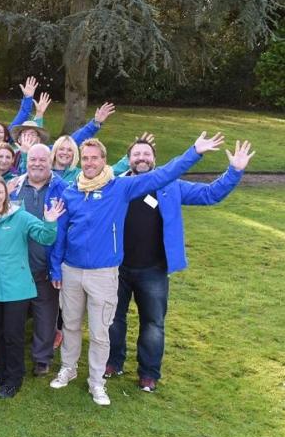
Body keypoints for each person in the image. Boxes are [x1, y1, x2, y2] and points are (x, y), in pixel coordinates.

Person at [48, 132, 226, 406]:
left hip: (104, 272)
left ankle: (97, 382)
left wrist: (195, 151)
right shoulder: (72, 191)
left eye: (95, 158)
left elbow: (164, 174)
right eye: (85, 158)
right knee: (71, 325)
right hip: (71, 271)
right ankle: (68, 369)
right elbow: (60, 233)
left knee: (100, 331)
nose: (90, 163)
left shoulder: (119, 188)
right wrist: (56, 269)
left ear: (104, 160)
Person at [105, 138, 253, 392]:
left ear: (155, 159)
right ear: (128, 159)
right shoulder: (116, 185)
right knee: (113, 319)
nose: (142, 158)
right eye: (137, 154)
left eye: (147, 154)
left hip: (153, 270)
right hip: (116, 268)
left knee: (153, 324)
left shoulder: (170, 186)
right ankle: (112, 362)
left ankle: (148, 373)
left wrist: (234, 171)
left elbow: (209, 194)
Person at [0, 178, 63, 399]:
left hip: (17, 289)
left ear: (6, 195)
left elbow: (45, 237)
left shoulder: (20, 216)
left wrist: (50, 222)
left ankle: (14, 378)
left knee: (13, 335)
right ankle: (2, 373)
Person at [9, 143, 68, 376]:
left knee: (46, 314)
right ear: (26, 161)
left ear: (50, 161)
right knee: (14, 314)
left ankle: (42, 358)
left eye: (42, 159)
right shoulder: (13, 187)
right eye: (33, 159)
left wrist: (57, 266)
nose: (37, 164)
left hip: (46, 263)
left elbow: (65, 230)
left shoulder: (63, 188)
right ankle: (8, 353)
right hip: (17, 264)